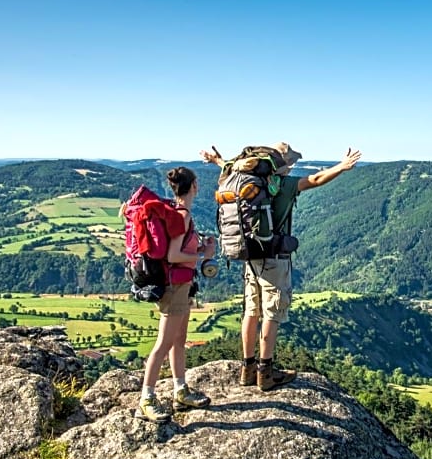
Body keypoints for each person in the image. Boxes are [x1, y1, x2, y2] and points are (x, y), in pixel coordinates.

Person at [200, 143, 362, 391]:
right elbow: (316, 179)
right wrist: (342, 166)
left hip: (248, 254)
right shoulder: (283, 185)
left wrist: (217, 161)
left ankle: (248, 368)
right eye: (291, 163)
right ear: (282, 165)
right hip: (274, 258)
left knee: (251, 312)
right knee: (271, 314)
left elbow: (229, 166)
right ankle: (266, 372)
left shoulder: (245, 179)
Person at [136, 166, 215, 422]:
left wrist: (200, 246)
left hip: (182, 285)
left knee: (179, 340)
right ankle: (146, 398)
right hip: (174, 287)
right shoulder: (181, 216)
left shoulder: (181, 214)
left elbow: (179, 250)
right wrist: (204, 254)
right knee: (164, 344)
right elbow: (173, 256)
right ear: (194, 186)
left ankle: (180, 390)